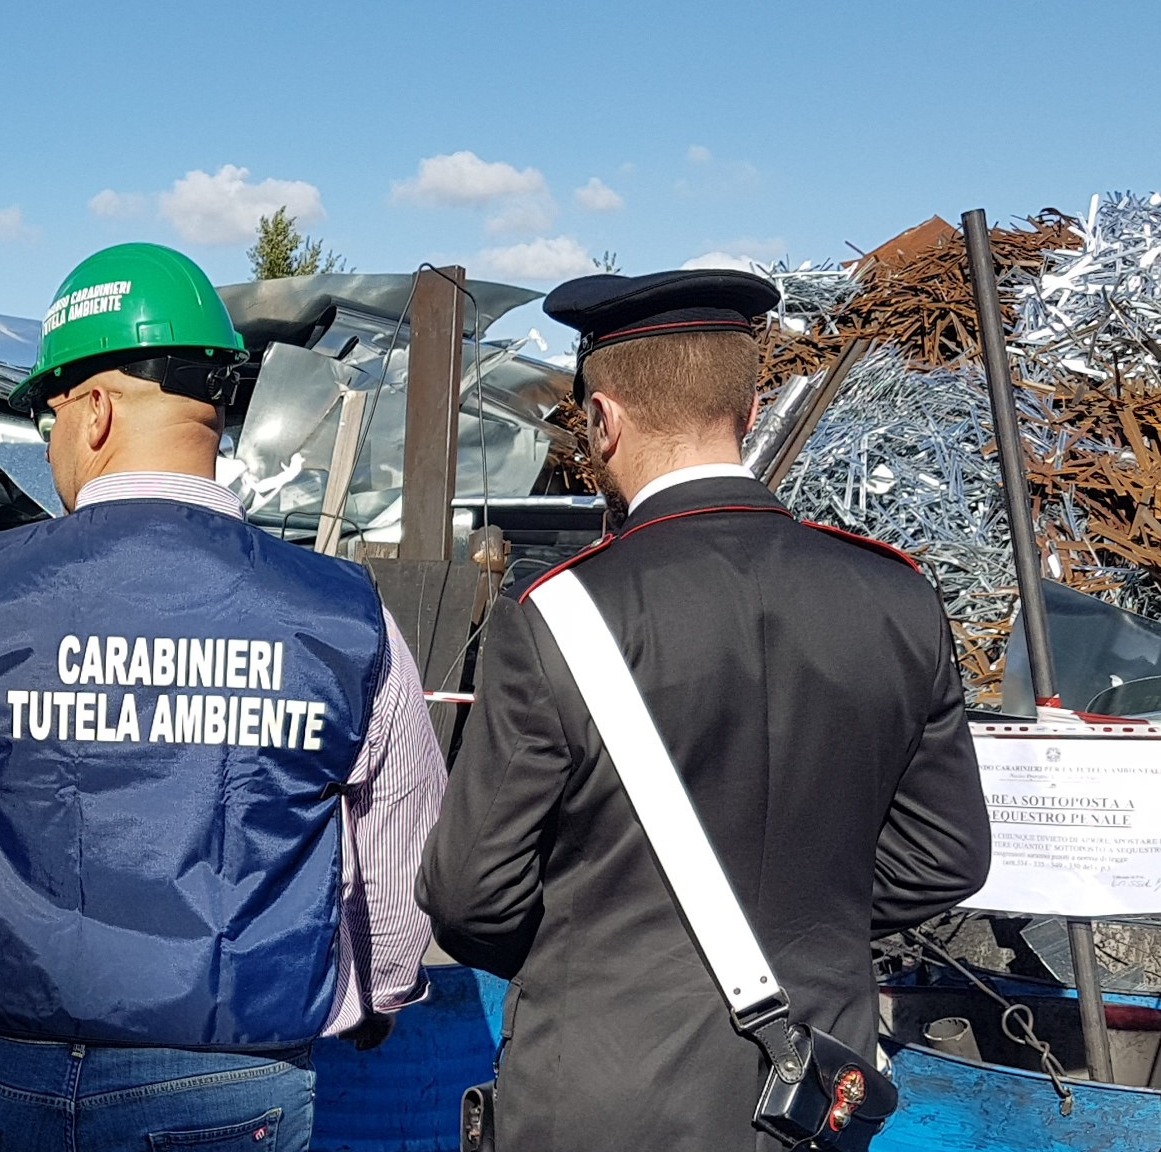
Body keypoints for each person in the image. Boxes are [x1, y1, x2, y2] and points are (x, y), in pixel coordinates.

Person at [0, 243, 446, 1151]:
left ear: (92, 411)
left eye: (46, 419)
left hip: (5, 1072)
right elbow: (402, 865)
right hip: (236, 1081)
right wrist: (376, 997)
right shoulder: (345, 615)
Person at [418, 269, 992, 1152]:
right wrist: (805, 924)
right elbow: (945, 856)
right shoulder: (897, 598)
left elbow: (470, 897)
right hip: (808, 1095)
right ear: (754, 406)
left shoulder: (557, 614)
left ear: (603, 421)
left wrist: (604, 945)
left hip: (601, 1093)